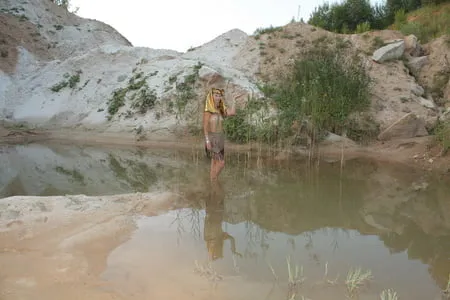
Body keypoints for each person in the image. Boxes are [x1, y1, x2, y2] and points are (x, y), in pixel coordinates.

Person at [203, 87, 240, 181]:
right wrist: (207, 141)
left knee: (214, 162)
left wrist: (234, 101)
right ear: (211, 97)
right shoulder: (208, 111)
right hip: (212, 138)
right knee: (221, 163)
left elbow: (233, 113)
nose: (218, 98)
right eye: (216, 95)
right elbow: (205, 127)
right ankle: (214, 179)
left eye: (219, 96)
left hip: (220, 138)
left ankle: (212, 181)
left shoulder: (221, 110)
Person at [203, 180, 241, 261]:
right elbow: (232, 239)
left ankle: (213, 179)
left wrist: (234, 250)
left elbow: (206, 224)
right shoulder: (219, 238)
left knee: (212, 190)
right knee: (217, 190)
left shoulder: (209, 238)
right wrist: (234, 250)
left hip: (213, 212)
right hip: (217, 212)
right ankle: (215, 179)